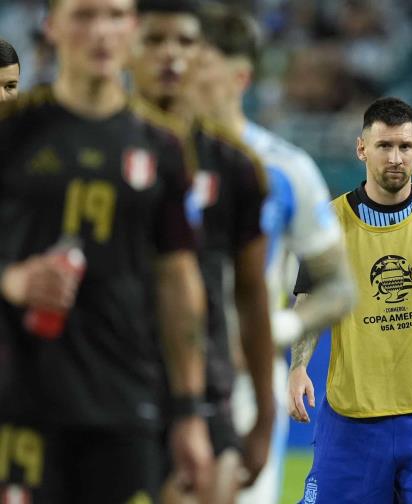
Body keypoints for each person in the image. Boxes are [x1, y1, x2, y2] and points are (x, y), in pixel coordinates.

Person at [0, 0, 212, 501]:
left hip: (125, 400)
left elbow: (178, 279)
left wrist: (189, 412)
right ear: (52, 27)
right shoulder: (14, 134)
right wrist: (10, 280)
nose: (101, 31)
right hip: (21, 400)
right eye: (84, 15)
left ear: (132, 28)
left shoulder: (162, 145)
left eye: (115, 15)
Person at [192, 5, 354, 504]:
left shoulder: (286, 170)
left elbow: (340, 287)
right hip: (147, 376)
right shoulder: (145, 157)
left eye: (200, 66)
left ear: (239, 76)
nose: (182, 75)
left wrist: (273, 332)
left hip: (242, 386)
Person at [290, 97, 412, 504]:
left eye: (404, 147)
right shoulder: (331, 222)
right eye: (384, 146)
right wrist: (298, 368)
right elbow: (310, 299)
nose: (395, 158)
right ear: (362, 149)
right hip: (353, 418)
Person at [130, 2, 275, 502]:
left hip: (208, 393)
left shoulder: (237, 167)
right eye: (154, 40)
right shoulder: (94, 149)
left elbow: (252, 294)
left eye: (187, 43)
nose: (171, 55)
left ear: (204, 56)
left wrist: (265, 414)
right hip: (111, 386)